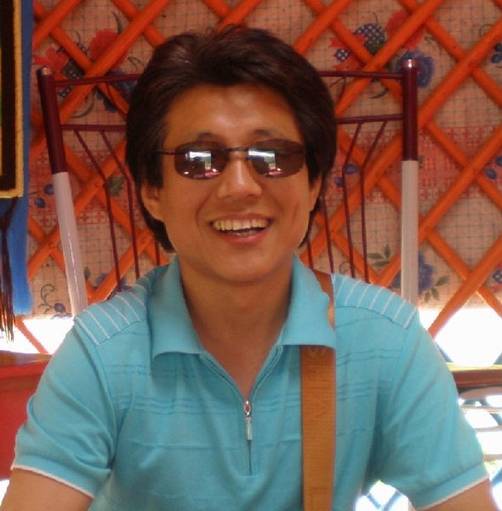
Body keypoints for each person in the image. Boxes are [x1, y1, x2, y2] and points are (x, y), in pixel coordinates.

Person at [1, 26, 497, 511]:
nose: (240, 186)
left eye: (273, 156)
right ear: (152, 191)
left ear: (314, 183)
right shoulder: (101, 354)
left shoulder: (385, 340)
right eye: (199, 159)